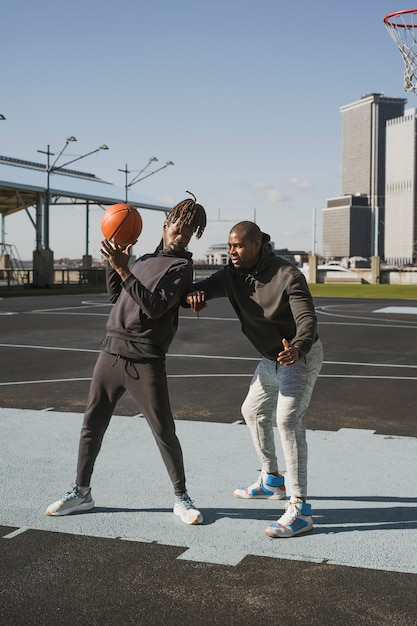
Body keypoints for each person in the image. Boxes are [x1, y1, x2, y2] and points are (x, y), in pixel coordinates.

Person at [46, 193, 207, 525]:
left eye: (190, 232)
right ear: (166, 226)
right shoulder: (144, 259)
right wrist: (115, 263)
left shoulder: (182, 268)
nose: (183, 235)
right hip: (110, 353)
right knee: (92, 425)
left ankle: (181, 497)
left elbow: (155, 307)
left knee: (163, 430)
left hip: (145, 360)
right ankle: (81, 492)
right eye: (179, 227)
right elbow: (117, 297)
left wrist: (123, 268)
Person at [187, 221, 323, 537]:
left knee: (288, 421)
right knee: (252, 411)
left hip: (298, 357)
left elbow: (307, 320)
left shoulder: (288, 276)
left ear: (258, 243)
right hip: (269, 359)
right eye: (230, 246)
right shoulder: (230, 275)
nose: (232, 252)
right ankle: (271, 480)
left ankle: (300, 509)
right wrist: (192, 296)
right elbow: (199, 289)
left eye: (238, 246)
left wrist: (298, 349)